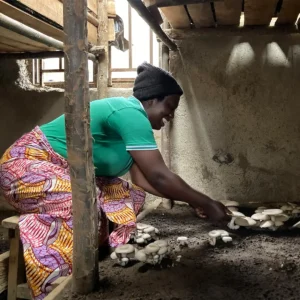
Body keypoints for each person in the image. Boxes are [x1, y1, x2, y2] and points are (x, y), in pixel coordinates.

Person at [0, 62, 229, 299]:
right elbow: (160, 175)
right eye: (169, 107)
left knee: (129, 194)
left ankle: (101, 250)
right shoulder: (129, 112)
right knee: (79, 201)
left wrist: (191, 201)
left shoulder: (133, 130)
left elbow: (145, 181)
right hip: (24, 166)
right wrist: (207, 201)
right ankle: (56, 281)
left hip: (64, 174)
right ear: (151, 100)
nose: (170, 116)